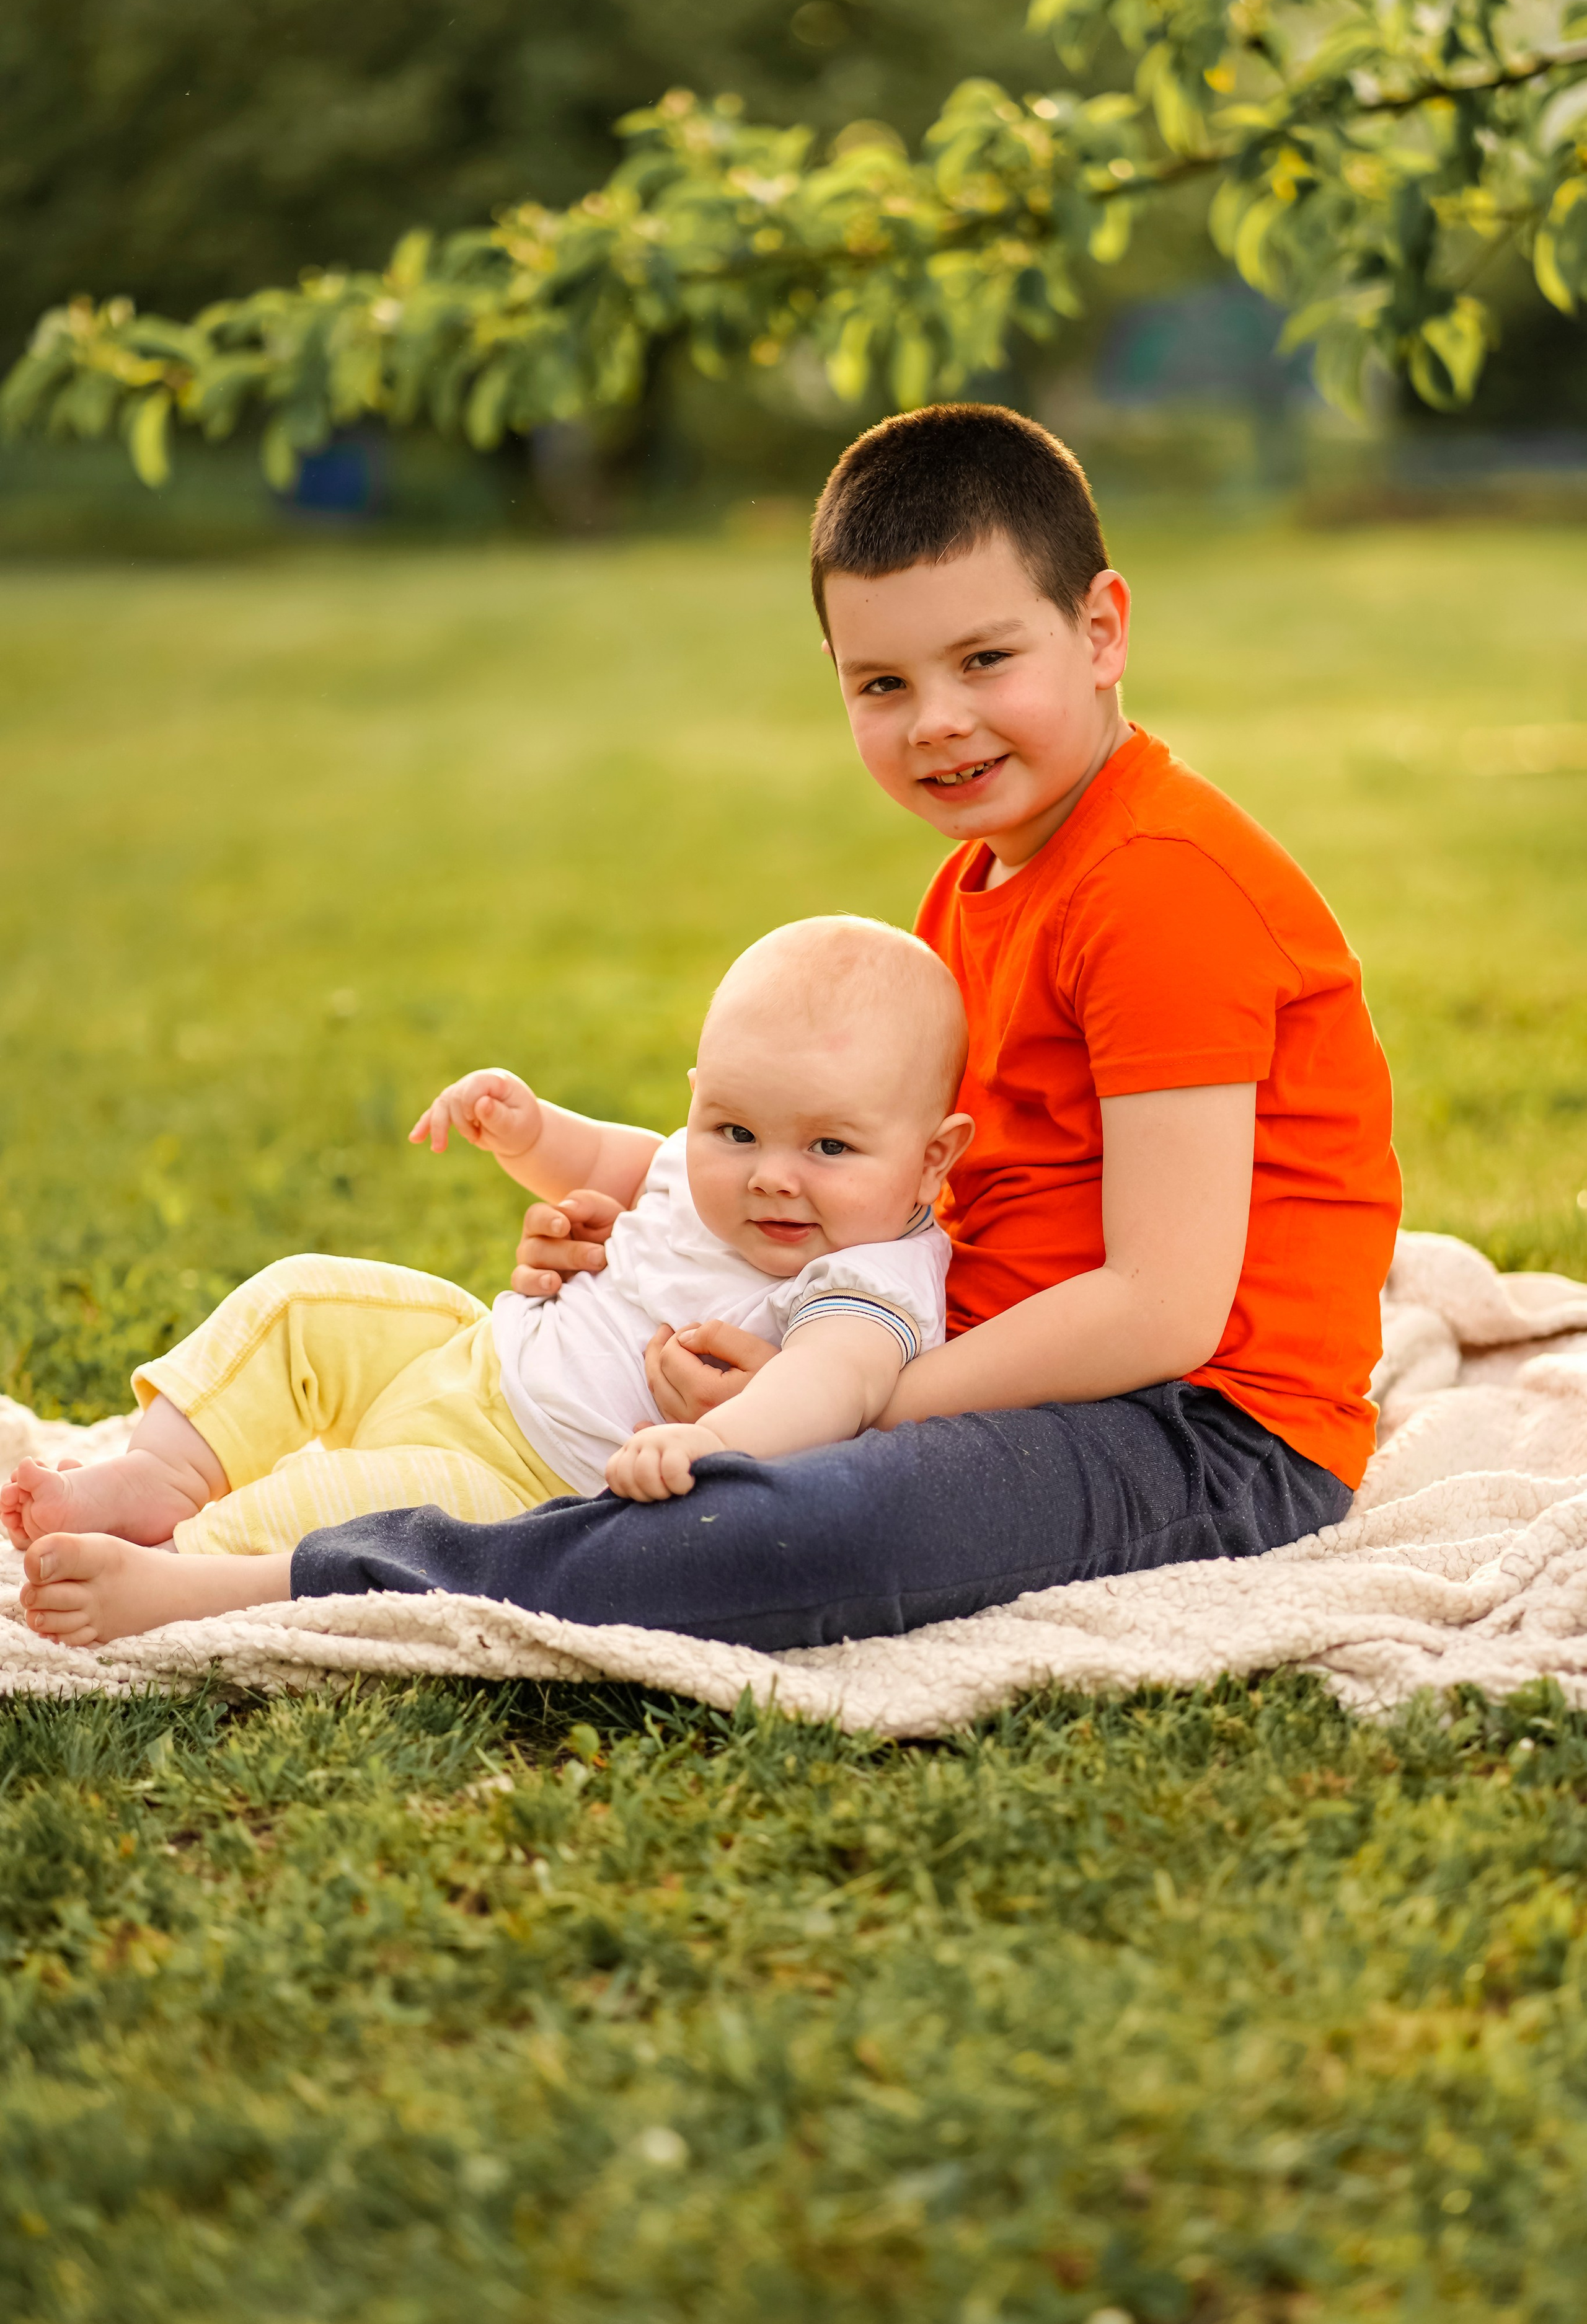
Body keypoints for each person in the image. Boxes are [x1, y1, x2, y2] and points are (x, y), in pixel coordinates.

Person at [20, 402, 1400, 1654]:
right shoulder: (973, 885)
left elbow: (1161, 1307)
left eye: (985, 660)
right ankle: (308, 1484)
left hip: (1203, 1424)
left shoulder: (1161, 887)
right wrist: (670, 1243)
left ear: (1100, 630)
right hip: (963, 1358)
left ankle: (287, 1578)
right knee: (696, 1450)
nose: (938, 722)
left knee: (793, 1524)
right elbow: (914, 1188)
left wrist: (851, 1398)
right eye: (881, 684)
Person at [9, 918, 970, 1641]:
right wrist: (530, 1131)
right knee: (302, 1300)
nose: (771, 1175)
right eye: (736, 1130)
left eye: (830, 1147)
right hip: (470, 1353)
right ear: (702, 1102)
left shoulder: (871, 1275)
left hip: (522, 1478)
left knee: (351, 1503)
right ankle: (161, 1472)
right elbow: (612, 1160)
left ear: (934, 1159)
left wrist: (712, 1441)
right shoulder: (705, 1157)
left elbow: (831, 1382)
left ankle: (175, 1570)